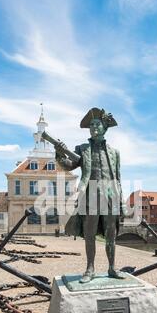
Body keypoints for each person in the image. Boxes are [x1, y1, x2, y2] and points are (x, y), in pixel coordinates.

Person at [55, 107, 127, 283]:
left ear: (104, 127)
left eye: (97, 124)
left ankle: (112, 268)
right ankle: (90, 268)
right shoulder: (83, 148)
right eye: (91, 125)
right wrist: (59, 153)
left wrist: (122, 203)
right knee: (90, 233)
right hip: (91, 194)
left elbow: (118, 178)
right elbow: (68, 165)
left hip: (111, 195)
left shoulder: (114, 152)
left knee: (111, 234)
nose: (93, 127)